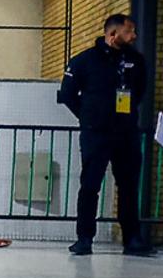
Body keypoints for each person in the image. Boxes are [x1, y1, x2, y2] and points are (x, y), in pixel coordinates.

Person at [57, 14, 155, 257]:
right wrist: (89, 117)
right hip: (96, 134)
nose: (134, 36)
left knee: (129, 186)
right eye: (129, 31)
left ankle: (132, 239)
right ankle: (84, 238)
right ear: (113, 34)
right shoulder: (84, 61)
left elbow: (140, 91)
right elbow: (68, 94)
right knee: (90, 186)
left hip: (126, 133)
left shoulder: (136, 61)